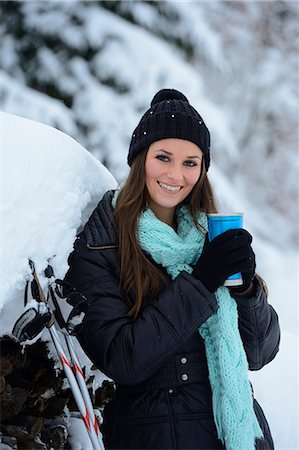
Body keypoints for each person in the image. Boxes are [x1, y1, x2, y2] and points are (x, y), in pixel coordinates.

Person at [64, 88, 280, 450]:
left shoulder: (207, 234)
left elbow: (258, 354)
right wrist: (201, 282)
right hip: (155, 434)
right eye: (163, 157)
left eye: (190, 162)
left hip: (239, 433)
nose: (175, 174)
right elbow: (123, 358)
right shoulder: (104, 241)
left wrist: (245, 292)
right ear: (140, 160)